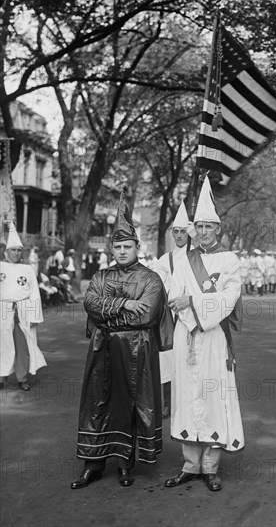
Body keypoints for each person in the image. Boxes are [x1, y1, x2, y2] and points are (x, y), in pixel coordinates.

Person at [71, 189, 173, 489]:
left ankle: (125, 464)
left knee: (128, 404)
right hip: (102, 349)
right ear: (111, 249)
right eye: (117, 247)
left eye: (127, 246)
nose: (122, 252)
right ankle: (93, 464)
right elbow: (90, 303)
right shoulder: (101, 276)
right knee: (97, 403)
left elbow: (146, 315)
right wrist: (123, 304)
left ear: (136, 246)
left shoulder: (151, 279)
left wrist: (109, 312)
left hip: (135, 350)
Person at [165, 176, 244, 493]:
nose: (204, 231)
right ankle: (189, 465)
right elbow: (174, 294)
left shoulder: (230, 259)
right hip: (186, 335)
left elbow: (230, 297)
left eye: (210, 226)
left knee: (213, 395)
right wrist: (188, 311)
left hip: (212, 337)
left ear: (219, 229)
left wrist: (195, 303)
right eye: (200, 226)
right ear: (194, 229)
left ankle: (210, 466)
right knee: (186, 395)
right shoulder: (184, 259)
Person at [153, 201, 194, 419]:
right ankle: (167, 402)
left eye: (183, 232)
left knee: (192, 358)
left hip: (192, 314)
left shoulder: (197, 255)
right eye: (176, 232)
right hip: (171, 315)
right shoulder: (165, 259)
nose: (179, 236)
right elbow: (157, 286)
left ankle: (190, 400)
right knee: (168, 359)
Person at [0, 222, 47, 391]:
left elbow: (34, 293)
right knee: (2, 344)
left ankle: (22, 377)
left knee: (22, 346)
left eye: (19, 250)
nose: (16, 253)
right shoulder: (1, 267)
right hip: (3, 310)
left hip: (22, 311)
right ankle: (2, 376)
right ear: (7, 252)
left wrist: (35, 316)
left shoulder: (27, 269)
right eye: (13, 250)